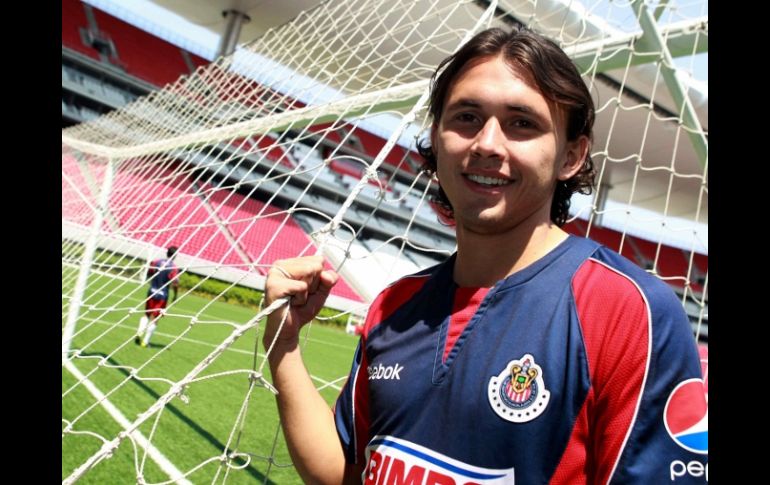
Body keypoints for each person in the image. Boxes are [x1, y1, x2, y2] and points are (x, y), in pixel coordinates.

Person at [262, 27, 707, 484]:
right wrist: (284, 346)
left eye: (522, 123)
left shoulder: (630, 311)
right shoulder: (393, 306)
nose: (487, 144)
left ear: (571, 155)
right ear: (436, 138)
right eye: (467, 117)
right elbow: (346, 474)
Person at [135, 246, 179, 347]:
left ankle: (140, 331)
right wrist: (175, 295)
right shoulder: (173, 267)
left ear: (167, 253)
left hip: (152, 291)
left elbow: (150, 272)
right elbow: (175, 283)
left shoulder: (157, 262)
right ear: (175, 255)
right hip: (162, 295)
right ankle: (145, 342)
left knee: (146, 314)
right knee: (155, 319)